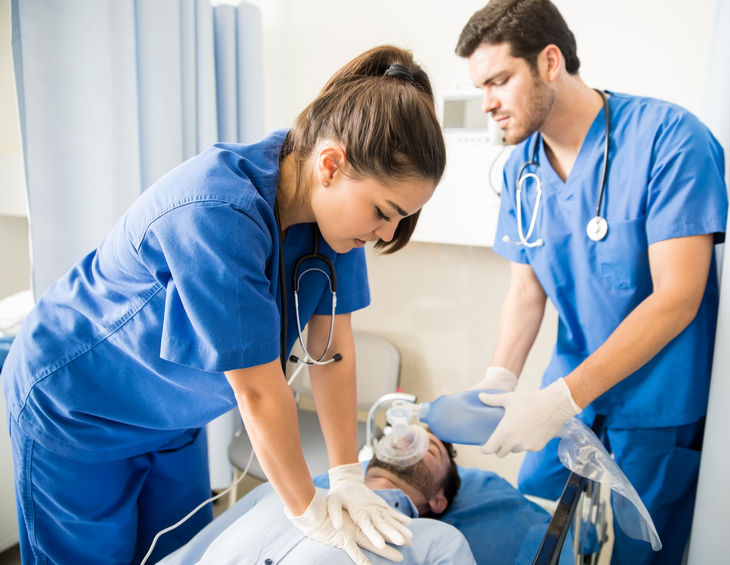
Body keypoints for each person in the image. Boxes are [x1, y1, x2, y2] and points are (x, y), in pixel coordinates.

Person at [2, 45, 446, 565]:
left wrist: (347, 474)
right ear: (331, 165)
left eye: (400, 219)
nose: (387, 233)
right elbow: (258, 391)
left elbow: (333, 349)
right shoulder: (217, 209)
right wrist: (310, 511)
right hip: (77, 408)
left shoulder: (337, 223)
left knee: (180, 555)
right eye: (384, 212)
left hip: (171, 418)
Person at [454, 1, 728, 564]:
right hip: (572, 389)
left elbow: (678, 296)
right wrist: (498, 380)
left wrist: (562, 398)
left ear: (550, 62)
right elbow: (525, 291)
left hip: (656, 401)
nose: (488, 104)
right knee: (535, 516)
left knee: (638, 552)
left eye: (499, 81)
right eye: (481, 88)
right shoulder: (522, 169)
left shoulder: (669, 139)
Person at [161, 432, 468, 564]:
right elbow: (188, 554)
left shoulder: (436, 538)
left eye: (429, 449)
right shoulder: (279, 490)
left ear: (438, 500)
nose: (407, 440)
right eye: (404, 436)